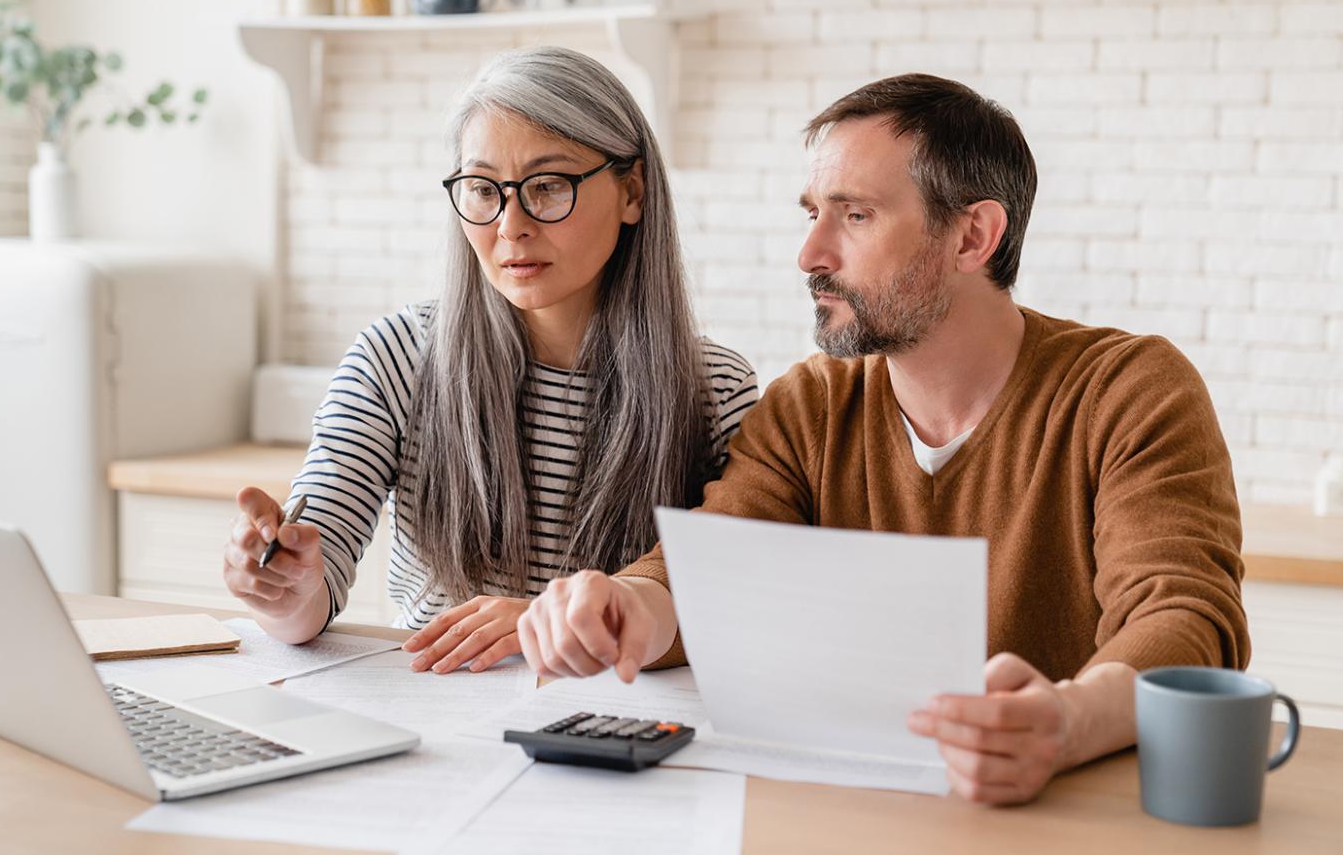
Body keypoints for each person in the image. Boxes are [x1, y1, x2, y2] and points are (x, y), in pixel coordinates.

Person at [515, 73, 1250, 805]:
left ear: (973, 236)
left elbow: (1185, 620)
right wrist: (624, 607)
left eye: (856, 216)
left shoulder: (1127, 390)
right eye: (811, 215)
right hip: (861, 811)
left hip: (1067, 815)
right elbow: (711, 567)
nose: (810, 254)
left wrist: (1067, 721)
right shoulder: (810, 405)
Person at [219, 46, 758, 674]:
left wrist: (547, 627)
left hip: (622, 725)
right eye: (482, 190)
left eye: (549, 186)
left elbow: (727, 606)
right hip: (440, 711)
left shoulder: (714, 388)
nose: (511, 225)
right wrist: (283, 585)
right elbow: (313, 587)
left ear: (632, 191)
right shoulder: (398, 355)